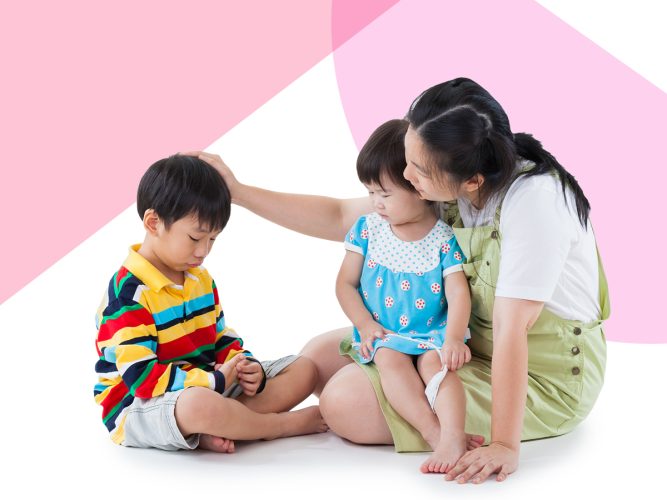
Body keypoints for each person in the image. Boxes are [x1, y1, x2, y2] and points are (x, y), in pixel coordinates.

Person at [185, 76, 609, 483]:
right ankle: (234, 418)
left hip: (540, 374)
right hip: (459, 342)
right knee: (316, 356)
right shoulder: (454, 172)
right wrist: (237, 191)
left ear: (472, 179)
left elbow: (513, 329)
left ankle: (427, 430)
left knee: (342, 402)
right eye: (407, 158)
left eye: (417, 171)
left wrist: (504, 444)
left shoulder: (534, 202)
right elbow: (338, 216)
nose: (405, 177)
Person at [93, 155, 327, 453]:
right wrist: (213, 380)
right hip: (141, 405)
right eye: (195, 237)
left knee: (304, 369)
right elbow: (142, 379)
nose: (204, 251)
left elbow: (219, 337)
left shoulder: (199, 279)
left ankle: (223, 426)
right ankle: (275, 426)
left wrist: (245, 365)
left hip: (207, 382)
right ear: (154, 223)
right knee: (198, 405)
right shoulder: (128, 296)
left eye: (213, 240)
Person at [336, 119, 475, 473]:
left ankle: (454, 433)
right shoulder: (368, 230)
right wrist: (365, 325)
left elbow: (458, 292)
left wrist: (455, 338)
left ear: (419, 188)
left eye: (385, 194)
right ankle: (433, 433)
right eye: (371, 192)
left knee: (437, 368)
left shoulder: (443, 238)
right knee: (390, 363)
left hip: (432, 332)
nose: (376, 203)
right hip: (386, 335)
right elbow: (345, 284)